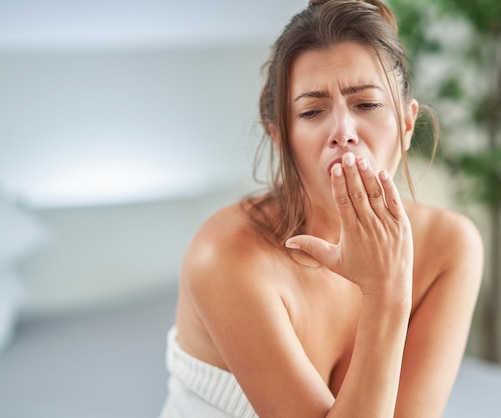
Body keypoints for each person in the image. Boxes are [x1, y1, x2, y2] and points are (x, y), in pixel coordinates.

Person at [159, 0, 483, 416]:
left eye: (366, 104)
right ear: (282, 139)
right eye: (312, 111)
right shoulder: (225, 256)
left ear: (406, 125)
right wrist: (386, 291)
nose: (343, 133)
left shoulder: (450, 246)